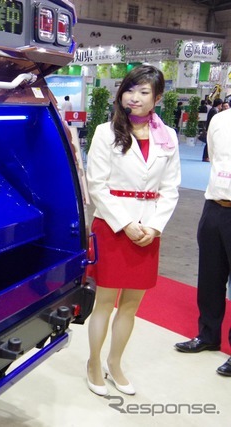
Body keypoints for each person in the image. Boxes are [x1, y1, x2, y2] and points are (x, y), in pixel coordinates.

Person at [85, 65, 181, 396]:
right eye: (130, 89)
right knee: (104, 301)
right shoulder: (104, 132)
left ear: (158, 98)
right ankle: (93, 363)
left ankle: (115, 363)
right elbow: (97, 185)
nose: (135, 97)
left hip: (148, 231)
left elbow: (171, 188)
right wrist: (126, 224)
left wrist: (154, 227)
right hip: (113, 227)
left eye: (143, 92)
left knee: (131, 305)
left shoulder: (168, 137)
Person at [175, 106, 231, 377]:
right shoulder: (219, 120)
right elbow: (215, 158)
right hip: (214, 205)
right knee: (210, 277)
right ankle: (208, 335)